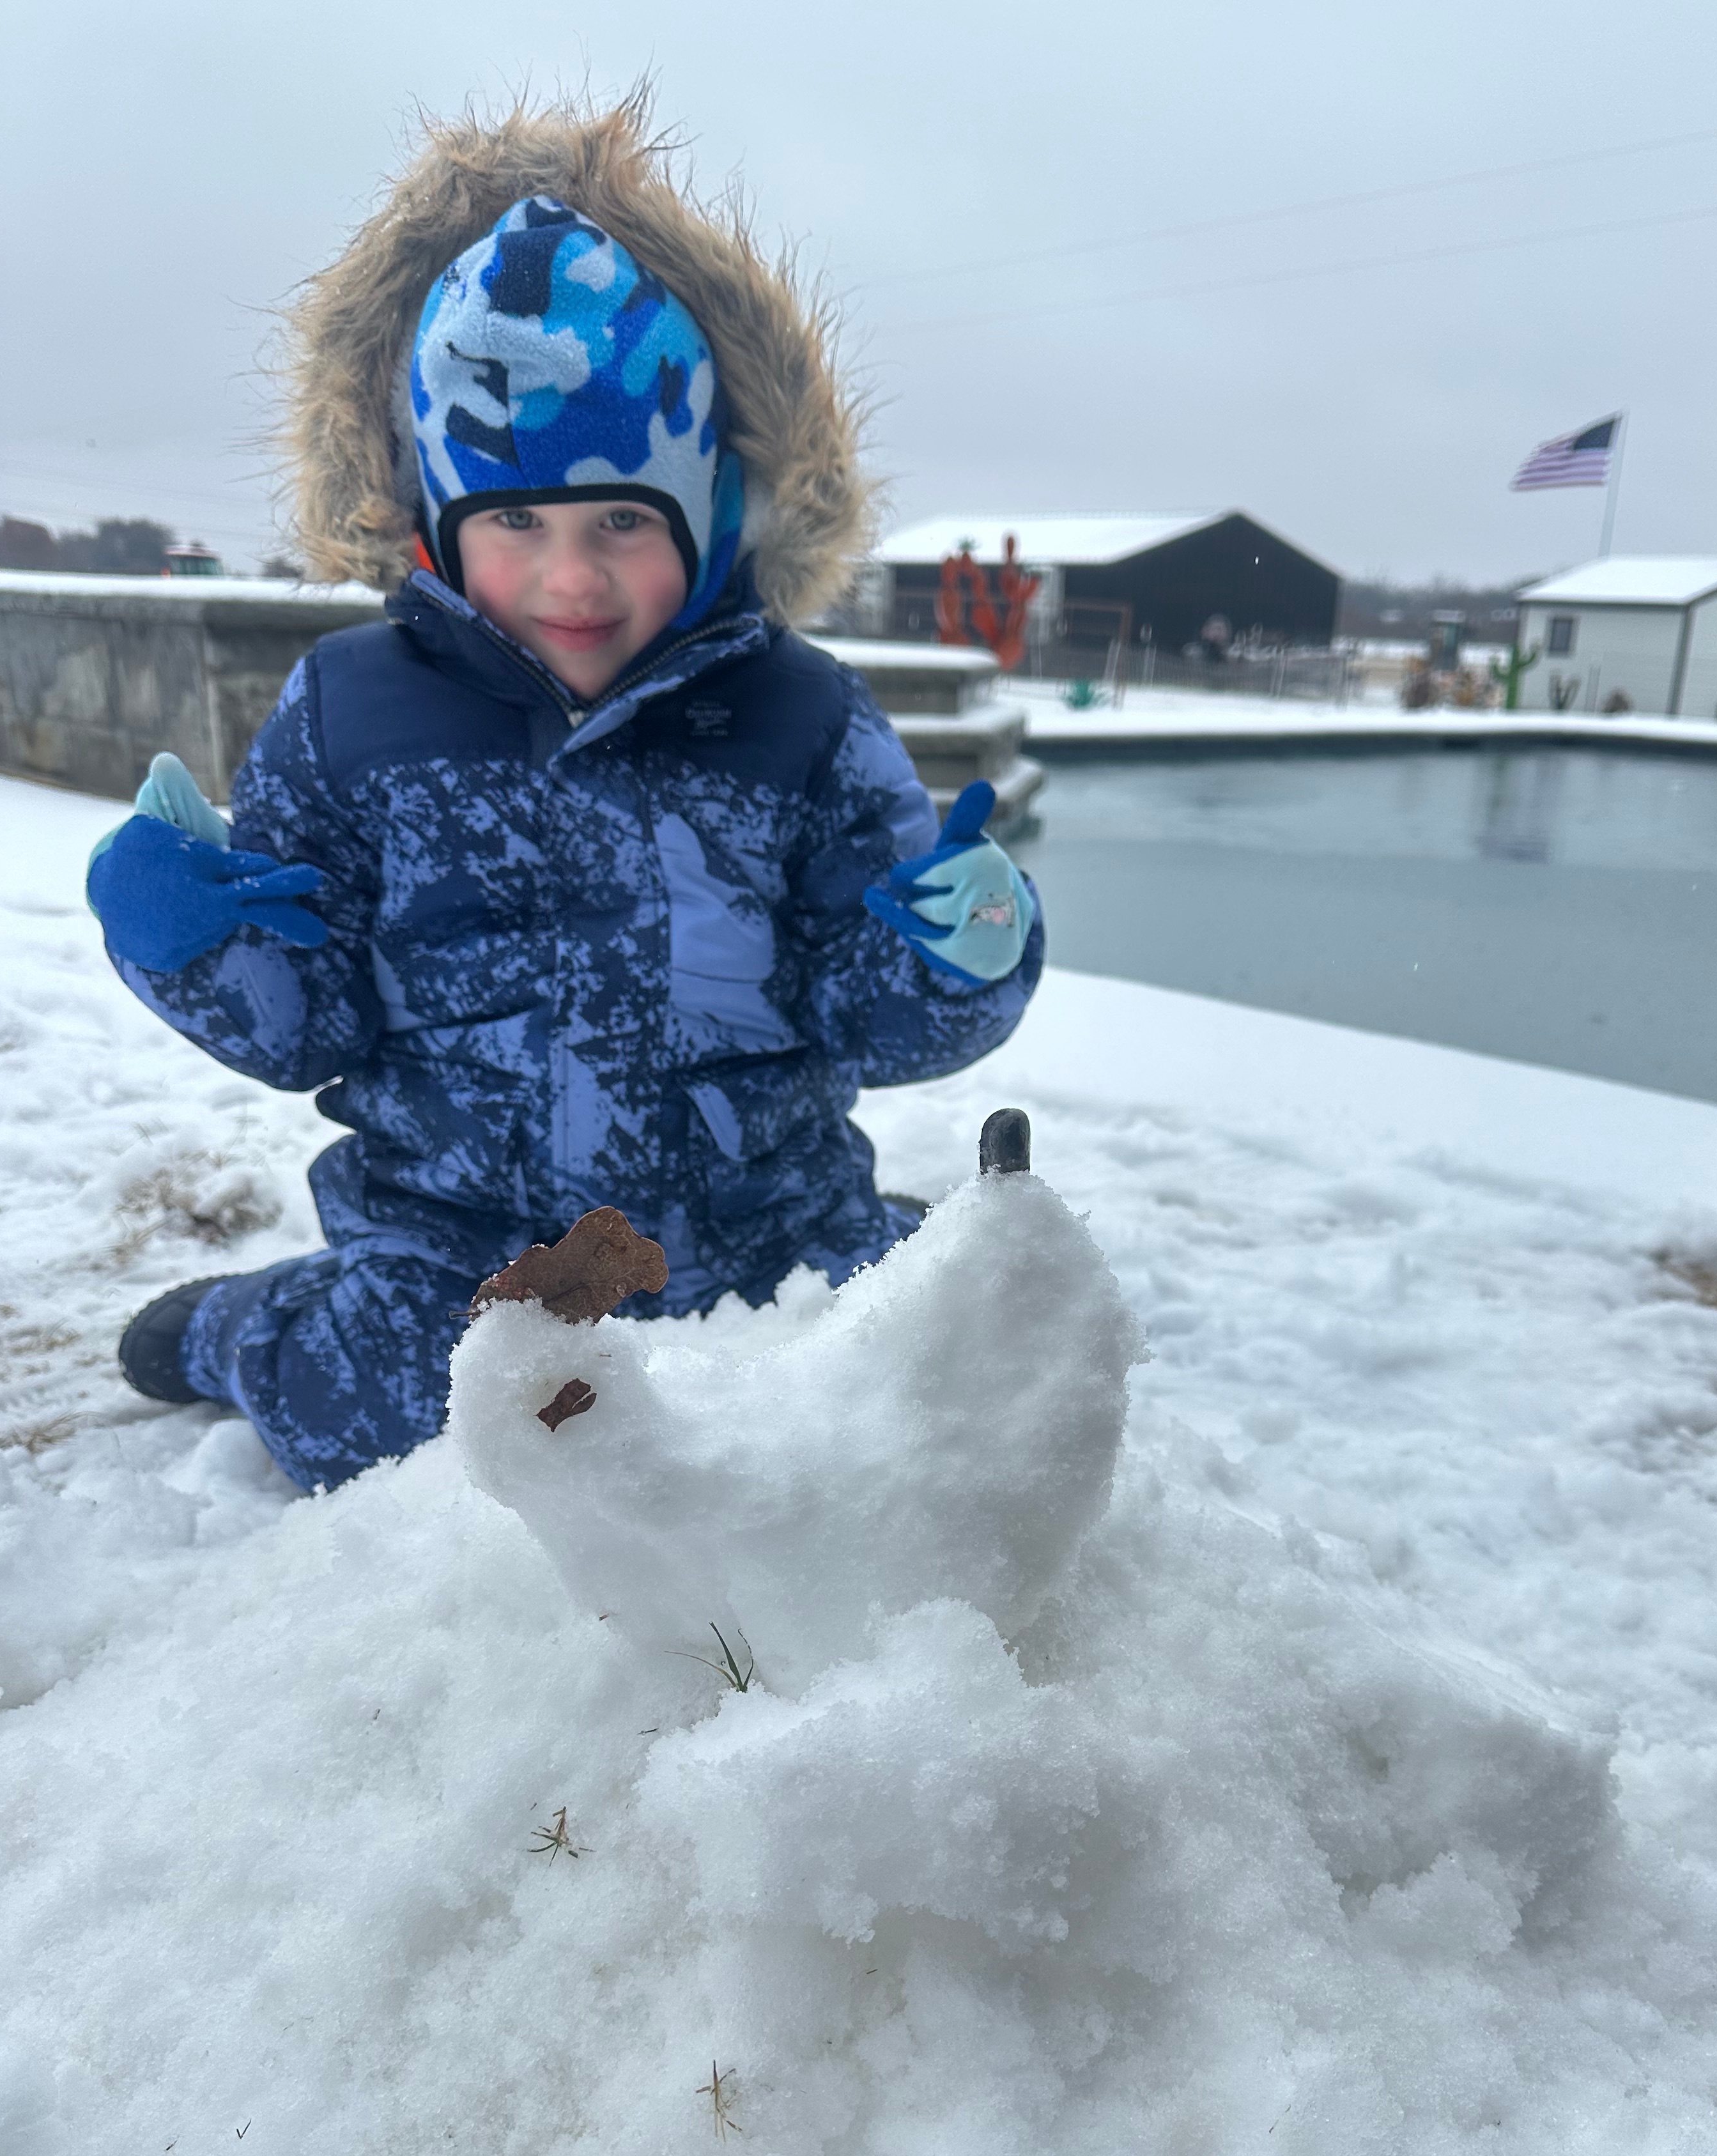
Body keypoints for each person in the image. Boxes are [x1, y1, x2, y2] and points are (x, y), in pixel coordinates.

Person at [86, 102, 1042, 1494]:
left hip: (763, 1227)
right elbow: (314, 1020)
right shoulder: (351, 713)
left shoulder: (803, 715)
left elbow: (870, 1010)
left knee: (911, 1403)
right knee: (394, 1431)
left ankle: (870, 1240)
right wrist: (189, 942)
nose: (572, 582)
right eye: (516, 524)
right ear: (440, 524)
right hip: (472, 1253)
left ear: (708, 520)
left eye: (622, 525)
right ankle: (254, 1330)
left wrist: (963, 952)